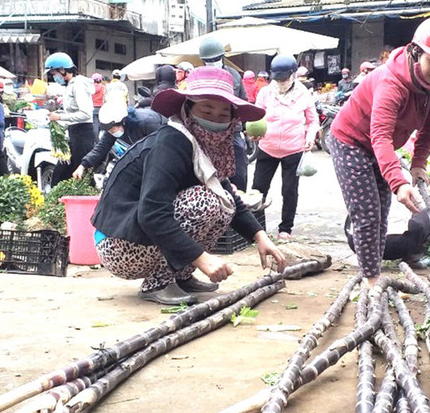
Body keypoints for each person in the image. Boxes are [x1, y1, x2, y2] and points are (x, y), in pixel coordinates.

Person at [91, 66, 287, 304]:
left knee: (223, 204)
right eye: (206, 110)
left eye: (223, 114)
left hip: (138, 237)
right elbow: (152, 213)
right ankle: (158, 283)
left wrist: (260, 236)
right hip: (119, 245)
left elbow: (228, 195)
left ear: (232, 119)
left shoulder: (206, 147)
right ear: (188, 109)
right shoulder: (172, 142)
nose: (214, 119)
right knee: (204, 202)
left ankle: (180, 276)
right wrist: (202, 258)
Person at [328, 16, 430, 287]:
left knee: (381, 212)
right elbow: (380, 136)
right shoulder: (392, 82)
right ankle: (370, 280)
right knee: (367, 214)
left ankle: (373, 269)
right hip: (351, 141)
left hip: (381, 147)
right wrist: (399, 182)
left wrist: (419, 163)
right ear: (416, 53)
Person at [252, 54, 320, 240]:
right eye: (277, 78)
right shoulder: (266, 92)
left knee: (289, 191)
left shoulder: (303, 93)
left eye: (284, 78)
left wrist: (310, 136)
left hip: (294, 150)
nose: (280, 82)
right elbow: (256, 116)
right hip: (267, 147)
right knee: (258, 189)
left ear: (293, 75)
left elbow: (313, 121)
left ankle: (285, 229)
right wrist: (253, 130)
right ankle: (256, 229)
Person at [199, 36, 249, 190]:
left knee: (239, 170)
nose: (213, 61)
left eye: (216, 58)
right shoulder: (199, 75)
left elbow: (243, 101)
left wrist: (245, 127)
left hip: (233, 131)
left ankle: (240, 200)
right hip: (207, 132)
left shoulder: (234, 75)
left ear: (222, 57)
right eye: (209, 59)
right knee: (209, 172)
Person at [72, 98, 165, 179]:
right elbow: (101, 148)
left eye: (112, 130)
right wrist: (82, 166)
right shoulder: (113, 129)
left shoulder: (147, 122)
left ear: (123, 122)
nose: (111, 133)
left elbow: (162, 148)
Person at [46, 52, 97, 185]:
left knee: (84, 178)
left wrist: (60, 116)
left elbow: (85, 113)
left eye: (54, 73)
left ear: (63, 70)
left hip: (83, 135)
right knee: (60, 176)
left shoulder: (78, 85)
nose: (54, 77)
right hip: (73, 134)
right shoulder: (70, 86)